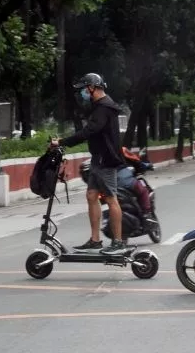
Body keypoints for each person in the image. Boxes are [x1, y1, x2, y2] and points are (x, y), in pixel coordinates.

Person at [50, 73, 126, 255]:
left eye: (84, 89)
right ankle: (95, 240)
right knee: (92, 195)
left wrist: (62, 142)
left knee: (110, 198)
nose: (83, 93)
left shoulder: (104, 108)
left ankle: (118, 242)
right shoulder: (100, 106)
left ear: (92, 87)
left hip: (106, 159)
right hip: (98, 159)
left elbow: (90, 131)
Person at [116, 147, 156, 224]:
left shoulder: (97, 154)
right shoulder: (121, 150)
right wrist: (147, 166)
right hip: (123, 181)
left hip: (106, 186)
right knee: (143, 191)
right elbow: (137, 161)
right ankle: (146, 214)